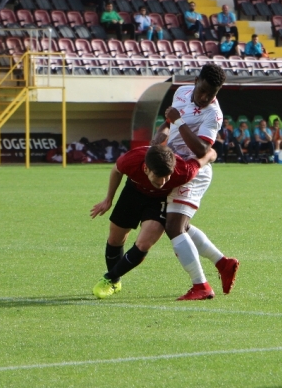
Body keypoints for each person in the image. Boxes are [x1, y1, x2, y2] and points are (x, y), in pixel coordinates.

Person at [153, 64, 239, 300]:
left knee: (173, 227)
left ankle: (200, 285)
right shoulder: (181, 92)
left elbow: (203, 149)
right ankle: (223, 263)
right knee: (182, 226)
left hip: (193, 170)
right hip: (174, 167)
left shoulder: (214, 114)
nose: (204, 98)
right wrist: (161, 135)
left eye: (211, 94)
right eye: (202, 91)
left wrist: (178, 122)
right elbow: (168, 123)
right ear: (195, 80)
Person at [90, 145, 217, 298]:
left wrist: (211, 152)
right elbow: (116, 170)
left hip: (159, 202)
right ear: (146, 169)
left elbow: (208, 155)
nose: (163, 181)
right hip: (134, 191)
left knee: (144, 244)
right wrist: (108, 199)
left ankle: (108, 279)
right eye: (159, 176)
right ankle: (115, 281)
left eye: (167, 176)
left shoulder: (183, 171)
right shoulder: (132, 160)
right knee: (115, 239)